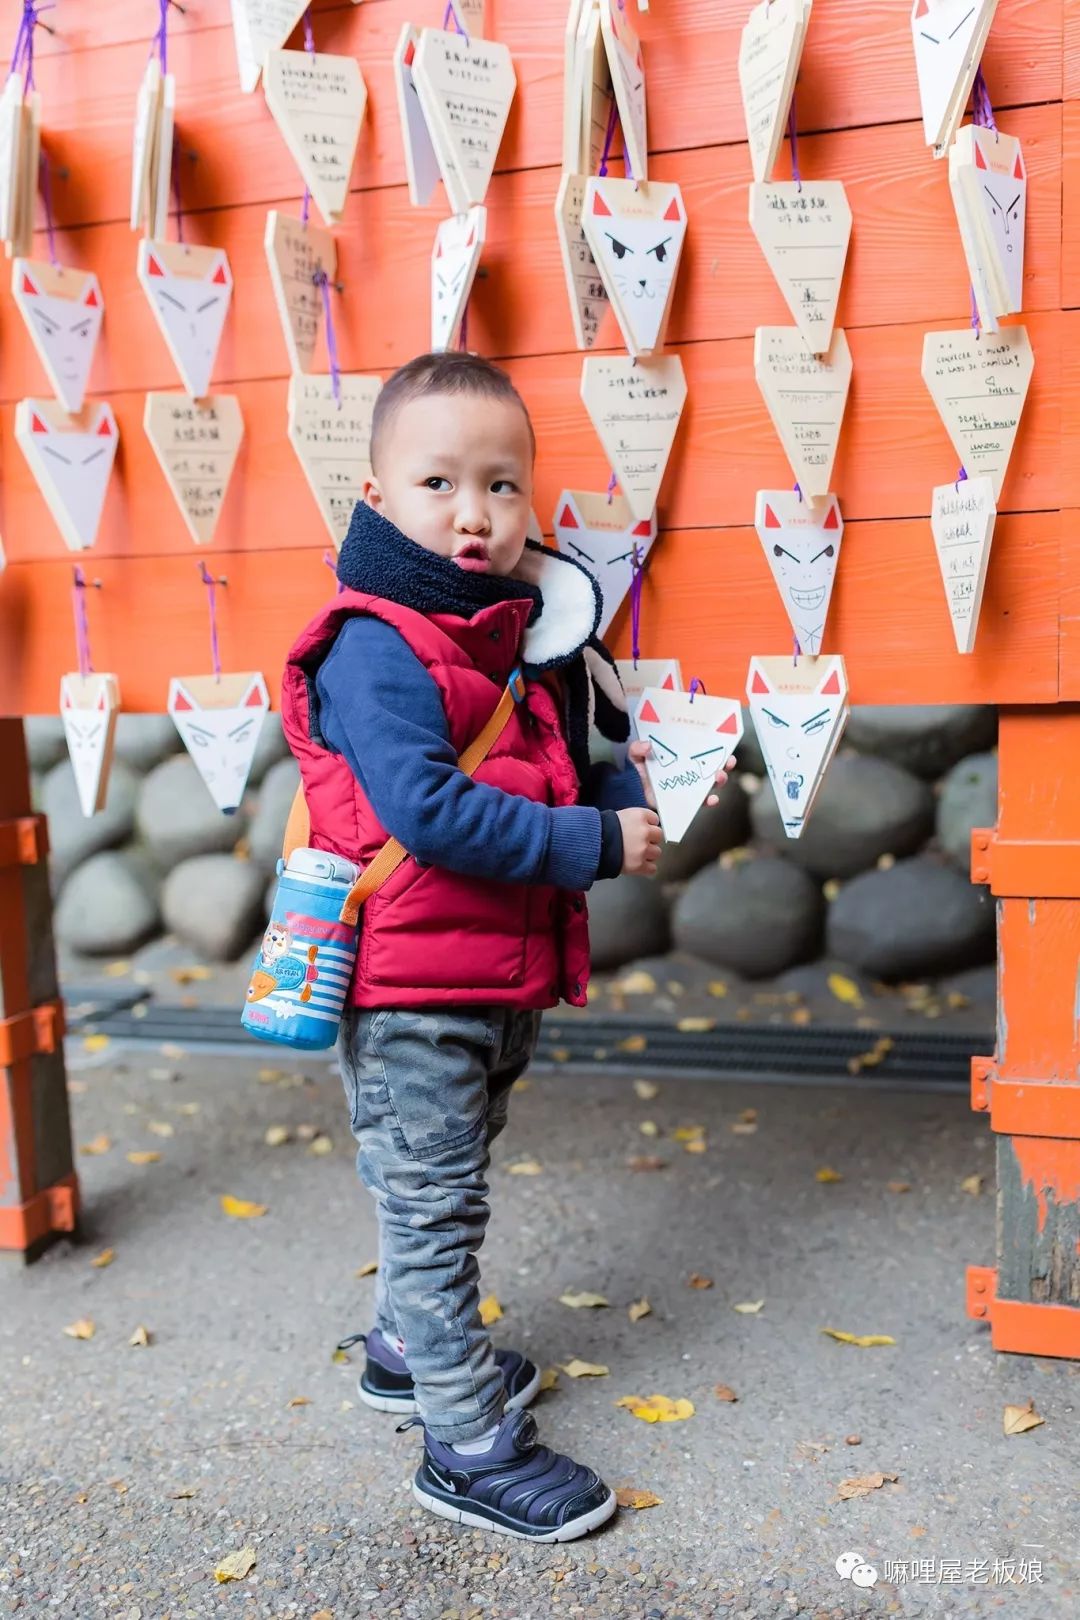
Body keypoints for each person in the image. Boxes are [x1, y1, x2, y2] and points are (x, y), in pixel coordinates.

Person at [279, 351, 731, 1543]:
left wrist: (639, 786)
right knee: (433, 1210)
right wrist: (593, 842)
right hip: (412, 995)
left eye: (501, 485)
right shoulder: (375, 644)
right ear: (377, 499)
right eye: (438, 483)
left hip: (487, 979)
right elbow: (429, 810)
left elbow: (562, 767)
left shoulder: (511, 640)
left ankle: (403, 1350)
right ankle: (465, 1445)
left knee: (450, 1184)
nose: (473, 513)